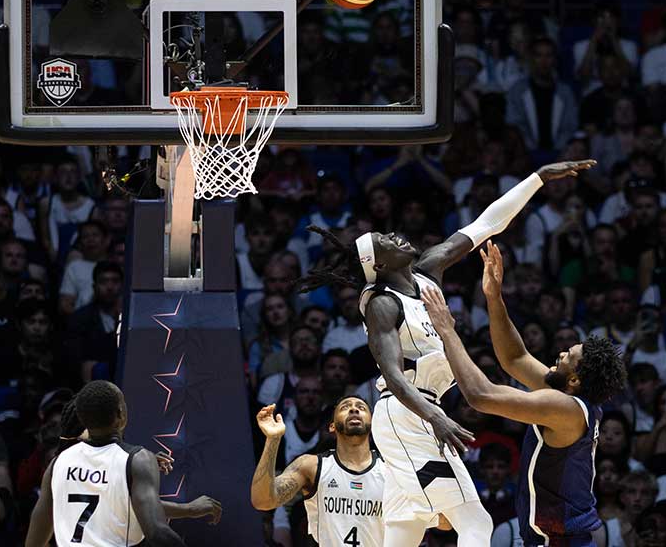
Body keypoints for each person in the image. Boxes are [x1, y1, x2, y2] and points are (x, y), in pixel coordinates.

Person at [293, 160, 595, 545]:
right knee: (476, 523)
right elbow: (396, 379)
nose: (396, 236)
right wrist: (436, 416)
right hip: (407, 414)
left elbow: (486, 224)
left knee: (406, 528)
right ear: (380, 264)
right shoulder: (382, 304)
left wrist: (536, 179)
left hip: (419, 413)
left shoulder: (427, 271)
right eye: (386, 240)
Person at [421, 240, 627, 547]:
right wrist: (494, 298)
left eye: (567, 356)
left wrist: (447, 331)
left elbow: (481, 396)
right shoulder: (570, 399)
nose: (559, 354)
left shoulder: (564, 407)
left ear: (574, 380)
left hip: (560, 541)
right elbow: (515, 359)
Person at [24, 381, 208, 547]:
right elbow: (157, 531)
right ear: (121, 413)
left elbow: (34, 542)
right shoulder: (137, 460)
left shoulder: (57, 463)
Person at [252, 399, 402, 546]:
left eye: (361, 408)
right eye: (345, 407)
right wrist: (273, 439)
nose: (354, 410)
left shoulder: (391, 469)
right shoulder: (311, 466)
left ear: (373, 424)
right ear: (332, 427)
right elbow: (263, 501)